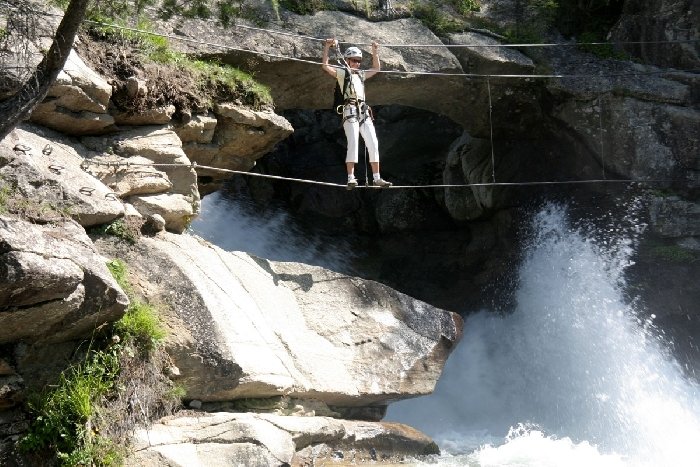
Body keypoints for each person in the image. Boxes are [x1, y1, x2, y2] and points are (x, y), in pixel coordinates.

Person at [322, 38, 392, 189]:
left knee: (373, 143)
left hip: (364, 111)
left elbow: (376, 68)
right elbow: (325, 66)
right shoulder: (342, 73)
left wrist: (375, 51)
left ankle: (377, 178)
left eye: (359, 61)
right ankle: (350, 178)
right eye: (354, 60)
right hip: (350, 110)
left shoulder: (360, 75)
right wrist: (327, 47)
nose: (357, 63)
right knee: (353, 142)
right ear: (347, 60)